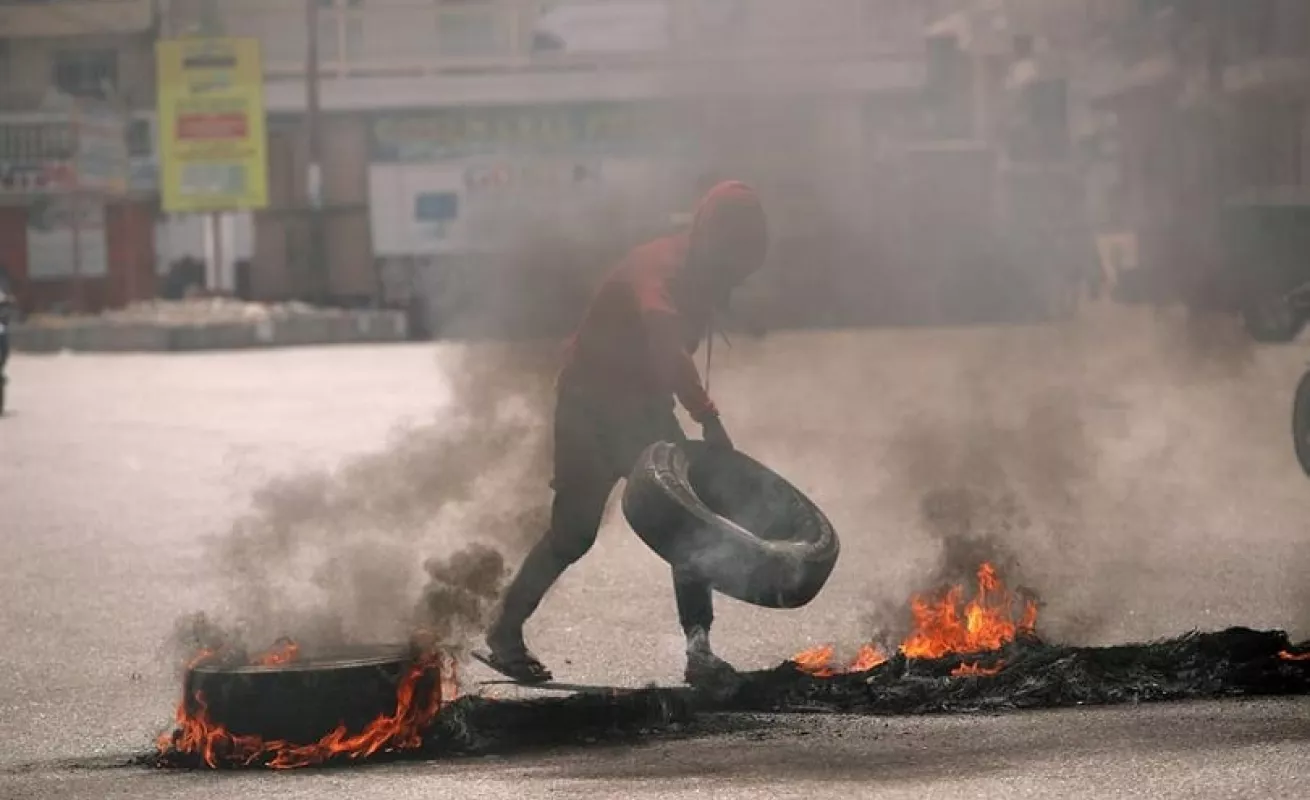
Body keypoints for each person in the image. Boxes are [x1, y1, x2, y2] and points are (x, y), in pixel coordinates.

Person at [479, 180, 769, 686]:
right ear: (708, 237)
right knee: (573, 534)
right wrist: (708, 417)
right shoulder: (658, 268)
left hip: (644, 408)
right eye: (730, 258)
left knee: (688, 522)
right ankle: (504, 633)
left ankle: (699, 649)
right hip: (588, 408)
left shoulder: (703, 273)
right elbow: (665, 345)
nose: (733, 274)